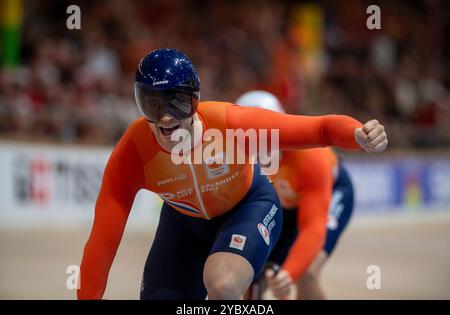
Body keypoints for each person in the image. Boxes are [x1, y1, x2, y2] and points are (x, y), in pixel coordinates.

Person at [77, 48, 388, 300]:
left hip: (248, 207)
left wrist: (358, 134)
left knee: (223, 285)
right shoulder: (131, 152)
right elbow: (102, 243)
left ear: (195, 102)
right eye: (152, 105)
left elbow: (319, 128)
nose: (167, 116)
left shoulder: (231, 123)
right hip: (183, 223)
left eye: (177, 103)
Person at [236, 90, 356, 300]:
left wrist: (288, 274)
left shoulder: (311, 156)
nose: (258, 146)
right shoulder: (237, 159)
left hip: (331, 193)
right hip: (286, 205)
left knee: (307, 273)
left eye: (266, 134)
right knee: (255, 275)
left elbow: (313, 228)